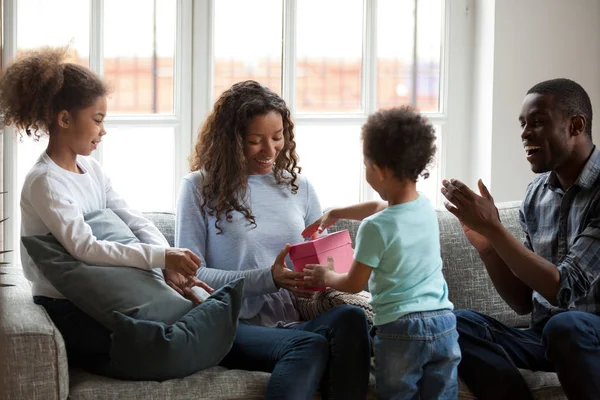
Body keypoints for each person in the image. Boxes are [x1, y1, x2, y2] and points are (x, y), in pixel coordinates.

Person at [0, 47, 211, 372]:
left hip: (111, 289)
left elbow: (134, 220)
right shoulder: (44, 182)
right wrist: (159, 258)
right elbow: (84, 248)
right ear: (65, 119)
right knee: (156, 351)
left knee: (190, 330)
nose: (103, 130)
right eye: (97, 120)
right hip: (66, 303)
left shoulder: (91, 169)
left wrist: (166, 260)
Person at [173, 80, 371, 400]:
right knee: (311, 345)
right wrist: (269, 279)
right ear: (231, 140)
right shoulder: (198, 187)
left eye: (277, 137)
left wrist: (326, 272)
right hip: (232, 326)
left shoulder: (299, 187)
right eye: (255, 141)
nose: (270, 151)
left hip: (295, 321)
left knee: (351, 317)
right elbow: (191, 276)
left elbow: (318, 258)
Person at [440, 78, 600, 400]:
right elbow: (522, 301)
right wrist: (487, 244)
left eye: (538, 123)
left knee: (565, 326)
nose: (525, 133)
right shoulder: (537, 193)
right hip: (546, 336)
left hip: (589, 334)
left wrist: (497, 229)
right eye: (523, 124)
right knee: (453, 323)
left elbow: (562, 288)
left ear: (576, 125)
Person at [302, 106, 461, 399]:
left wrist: (327, 275)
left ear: (380, 170)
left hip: (401, 329)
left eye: (365, 164)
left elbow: (353, 284)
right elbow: (379, 207)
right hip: (444, 324)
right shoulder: (424, 206)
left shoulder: (375, 229)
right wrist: (336, 211)